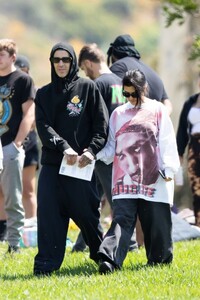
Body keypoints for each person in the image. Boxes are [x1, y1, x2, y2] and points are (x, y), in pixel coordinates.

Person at [33, 41, 109, 276]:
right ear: (51, 63)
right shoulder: (43, 94)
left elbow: (101, 125)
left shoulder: (88, 88)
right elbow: (43, 128)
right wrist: (63, 147)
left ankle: (101, 255)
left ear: (73, 61)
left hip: (80, 166)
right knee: (48, 214)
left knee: (87, 214)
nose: (61, 64)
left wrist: (90, 151)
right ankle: (45, 265)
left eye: (66, 59)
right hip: (53, 165)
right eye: (57, 60)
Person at [96, 69, 180, 274]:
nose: (131, 98)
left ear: (145, 89)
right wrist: (93, 155)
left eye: (135, 93)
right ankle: (109, 259)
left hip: (156, 178)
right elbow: (111, 146)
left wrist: (169, 167)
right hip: (125, 181)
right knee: (122, 219)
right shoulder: (118, 114)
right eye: (126, 94)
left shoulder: (158, 110)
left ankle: (159, 261)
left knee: (156, 222)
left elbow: (167, 140)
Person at [71, 43, 125, 253]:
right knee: (94, 199)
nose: (86, 73)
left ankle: (127, 243)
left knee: (109, 201)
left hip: (102, 153)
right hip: (121, 150)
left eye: (84, 69)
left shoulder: (98, 85)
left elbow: (92, 120)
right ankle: (81, 244)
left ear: (87, 63)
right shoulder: (120, 82)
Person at [0, 39, 35, 253]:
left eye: (1, 55)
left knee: (14, 195)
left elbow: (29, 114)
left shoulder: (22, 81)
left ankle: (14, 243)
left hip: (10, 145)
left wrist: (17, 144)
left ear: (13, 57)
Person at [107, 34, 172, 115]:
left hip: (127, 125)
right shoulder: (153, 73)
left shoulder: (118, 67)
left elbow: (113, 99)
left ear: (113, 53)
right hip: (153, 125)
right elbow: (167, 104)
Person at [15, 54, 39, 218]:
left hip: (28, 143)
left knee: (28, 189)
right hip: (6, 142)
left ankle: (31, 227)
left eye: (25, 71)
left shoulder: (34, 91)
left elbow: (36, 121)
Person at [176, 73, 200, 227]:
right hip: (194, 148)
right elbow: (182, 130)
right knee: (196, 186)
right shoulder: (191, 101)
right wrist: (179, 152)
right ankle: (198, 224)